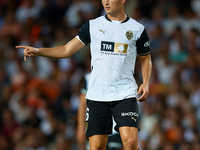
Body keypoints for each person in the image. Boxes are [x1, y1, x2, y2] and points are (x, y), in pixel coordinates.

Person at [16, 0, 152, 149]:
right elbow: (67, 50)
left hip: (125, 93)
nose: (105, 2)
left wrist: (145, 82)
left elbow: (145, 57)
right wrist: (38, 51)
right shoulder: (92, 26)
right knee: (96, 147)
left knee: (130, 142)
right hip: (97, 95)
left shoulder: (137, 29)